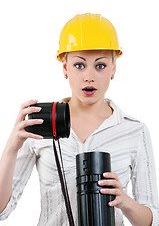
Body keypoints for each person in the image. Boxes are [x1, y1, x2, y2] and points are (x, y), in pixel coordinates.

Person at [0, 13, 158, 226]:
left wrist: (125, 201)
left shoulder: (134, 131)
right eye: (79, 65)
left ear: (113, 69)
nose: (89, 76)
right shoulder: (41, 126)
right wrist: (11, 146)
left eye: (100, 65)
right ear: (65, 68)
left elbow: (152, 220)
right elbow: (2, 211)